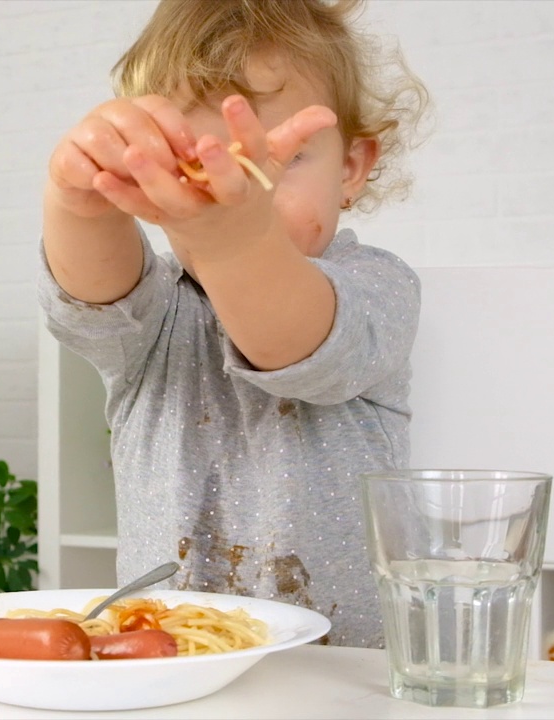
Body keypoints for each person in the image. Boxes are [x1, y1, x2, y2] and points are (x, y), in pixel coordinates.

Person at [36, 0, 429, 648]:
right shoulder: (156, 311)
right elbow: (92, 295)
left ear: (352, 168)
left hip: (335, 674)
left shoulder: (378, 287)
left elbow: (296, 342)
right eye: (207, 163)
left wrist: (233, 241)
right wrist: (80, 198)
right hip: (163, 659)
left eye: (282, 159)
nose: (242, 194)